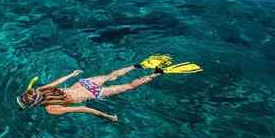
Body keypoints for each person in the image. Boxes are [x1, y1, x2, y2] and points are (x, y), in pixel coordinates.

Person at [16, 55, 202, 121]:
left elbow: (83, 108)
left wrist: (107, 116)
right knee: (111, 76)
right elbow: (58, 81)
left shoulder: (51, 109)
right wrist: (72, 75)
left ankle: (159, 72)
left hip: (94, 93)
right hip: (84, 83)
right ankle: (138, 65)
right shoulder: (42, 89)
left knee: (129, 86)